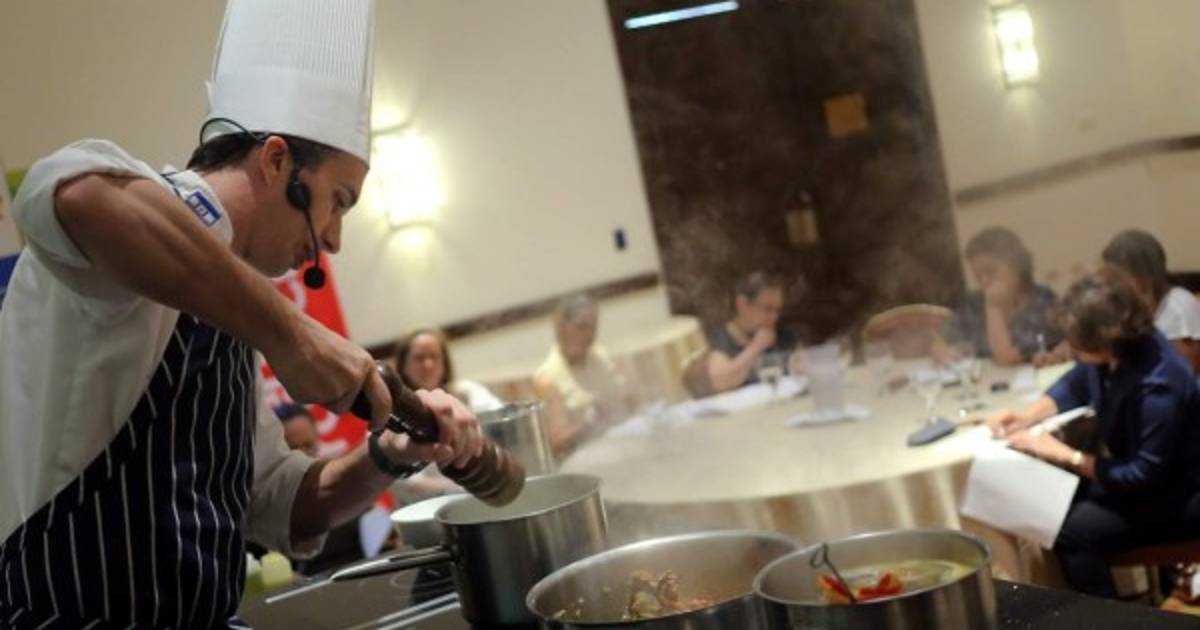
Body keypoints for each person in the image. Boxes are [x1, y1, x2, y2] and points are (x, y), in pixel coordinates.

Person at [0, 2, 483, 627]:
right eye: (338, 201)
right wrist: (293, 335)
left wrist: (388, 454)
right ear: (276, 161)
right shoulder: (139, 223)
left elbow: (282, 503)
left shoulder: (234, 309)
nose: (334, 238)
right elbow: (74, 192)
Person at [988, 270, 1200, 598]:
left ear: (1103, 341)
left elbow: (1141, 475)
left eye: (1077, 343)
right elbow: (1078, 379)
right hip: (1149, 483)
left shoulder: (1160, 383)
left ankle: (1105, 616)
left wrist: (1062, 453)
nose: (1071, 348)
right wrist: (1028, 415)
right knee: (1055, 497)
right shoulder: (1116, 351)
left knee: (1071, 529)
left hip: (1179, 496)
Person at [533, 294, 637, 459]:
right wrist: (588, 423)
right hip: (585, 460)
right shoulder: (548, 379)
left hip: (622, 447)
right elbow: (557, 444)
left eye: (593, 328)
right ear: (561, 327)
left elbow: (630, 403)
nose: (589, 336)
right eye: (581, 327)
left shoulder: (602, 358)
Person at [941, 227, 1061, 365]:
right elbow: (942, 340)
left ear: (1017, 265)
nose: (984, 281)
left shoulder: (1043, 301)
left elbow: (1006, 358)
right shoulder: (973, 303)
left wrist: (993, 306)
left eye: (991, 271)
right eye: (978, 275)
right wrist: (941, 351)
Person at [1102, 229, 1200, 372]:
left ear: (1144, 274)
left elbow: (1187, 369)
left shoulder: (1179, 306)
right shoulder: (1123, 304)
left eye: (1119, 275)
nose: (1113, 283)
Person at [705, 271, 797, 393]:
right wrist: (756, 347)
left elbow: (802, 362)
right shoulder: (722, 337)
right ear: (742, 304)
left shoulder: (782, 332)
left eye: (777, 310)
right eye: (767, 309)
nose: (774, 317)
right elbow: (720, 381)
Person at [394, 327, 504, 413]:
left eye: (434, 357)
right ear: (403, 365)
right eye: (419, 358)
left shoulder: (468, 393)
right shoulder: (394, 409)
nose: (428, 365)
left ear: (445, 363)